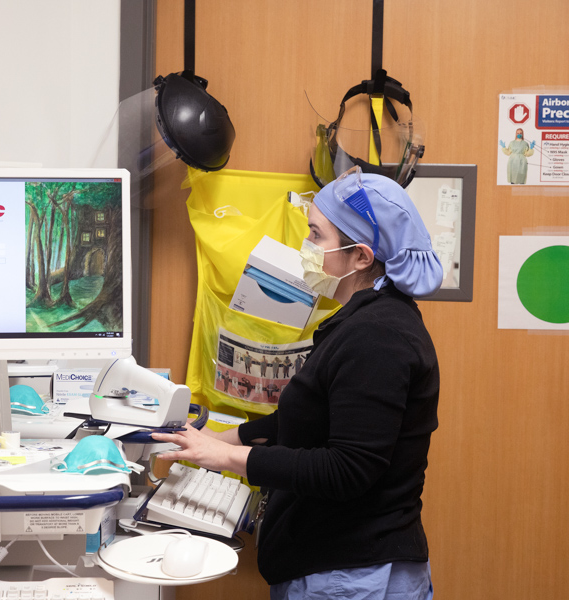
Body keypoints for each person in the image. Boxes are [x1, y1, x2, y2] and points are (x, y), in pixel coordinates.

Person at [153, 168, 441, 600]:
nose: (305, 247)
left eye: (316, 235)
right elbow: (306, 418)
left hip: (352, 571)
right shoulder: (361, 321)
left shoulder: (379, 336)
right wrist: (218, 439)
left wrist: (229, 458)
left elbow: (347, 468)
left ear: (361, 256)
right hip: (339, 564)